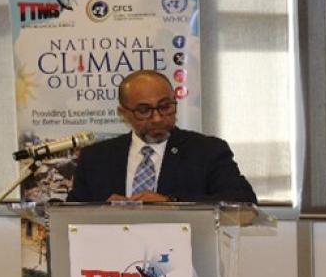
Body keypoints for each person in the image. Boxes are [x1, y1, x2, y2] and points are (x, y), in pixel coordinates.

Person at [66, 70, 257, 203]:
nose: (157, 118)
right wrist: (101, 211)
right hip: (113, 257)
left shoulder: (207, 151)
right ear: (123, 113)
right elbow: (71, 214)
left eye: (165, 107)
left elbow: (243, 201)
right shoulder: (96, 157)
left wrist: (170, 203)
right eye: (144, 110)